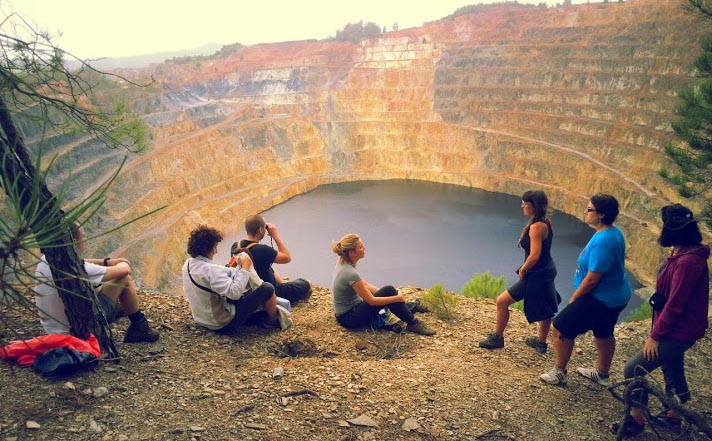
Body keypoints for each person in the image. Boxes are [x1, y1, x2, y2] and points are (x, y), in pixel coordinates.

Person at [609, 204, 709, 437]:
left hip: (679, 330)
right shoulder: (683, 254)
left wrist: (655, 336)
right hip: (678, 328)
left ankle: (636, 419)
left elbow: (675, 305)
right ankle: (675, 412)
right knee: (671, 363)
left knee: (634, 368)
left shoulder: (687, 262)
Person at [540, 193, 631, 386]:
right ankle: (602, 374)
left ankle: (560, 372)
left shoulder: (603, 240)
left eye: (589, 209)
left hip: (600, 297)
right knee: (603, 331)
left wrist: (575, 297)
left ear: (602, 215)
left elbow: (593, 278)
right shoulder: (615, 232)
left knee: (561, 327)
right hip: (617, 295)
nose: (585, 212)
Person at [34, 222, 159, 343]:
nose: (85, 239)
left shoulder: (47, 260)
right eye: (83, 236)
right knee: (124, 279)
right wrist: (123, 263)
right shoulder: (81, 270)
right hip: (77, 330)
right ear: (73, 240)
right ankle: (139, 327)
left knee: (97, 286)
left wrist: (106, 262)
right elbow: (124, 271)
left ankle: (117, 309)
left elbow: (80, 261)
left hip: (52, 329)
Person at [479, 190, 559, 353]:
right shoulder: (545, 222)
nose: (522, 206)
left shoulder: (536, 227)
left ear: (533, 206)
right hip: (546, 271)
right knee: (546, 307)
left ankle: (497, 338)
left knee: (502, 301)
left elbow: (535, 255)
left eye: (525, 203)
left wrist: (523, 269)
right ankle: (541, 343)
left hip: (536, 274)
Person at [331, 233, 435, 336]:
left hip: (351, 311)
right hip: (349, 318)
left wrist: (388, 295)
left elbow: (364, 284)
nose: (364, 248)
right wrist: (397, 298)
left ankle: (410, 307)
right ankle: (413, 323)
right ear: (351, 252)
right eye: (360, 247)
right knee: (389, 291)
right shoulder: (350, 273)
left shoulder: (343, 263)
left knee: (388, 292)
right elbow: (372, 301)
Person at [183, 224, 281, 332]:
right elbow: (234, 294)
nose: (216, 251)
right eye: (215, 247)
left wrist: (237, 269)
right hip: (221, 323)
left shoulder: (189, 263)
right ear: (208, 249)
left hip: (202, 318)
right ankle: (272, 321)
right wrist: (245, 268)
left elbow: (220, 273)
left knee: (248, 292)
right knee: (267, 288)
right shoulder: (210, 271)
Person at [233, 214, 311, 303]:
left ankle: (282, 282)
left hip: (248, 289)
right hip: (270, 291)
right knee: (305, 283)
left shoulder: (236, 246)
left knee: (265, 264)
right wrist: (275, 235)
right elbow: (287, 257)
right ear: (261, 230)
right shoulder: (263, 250)